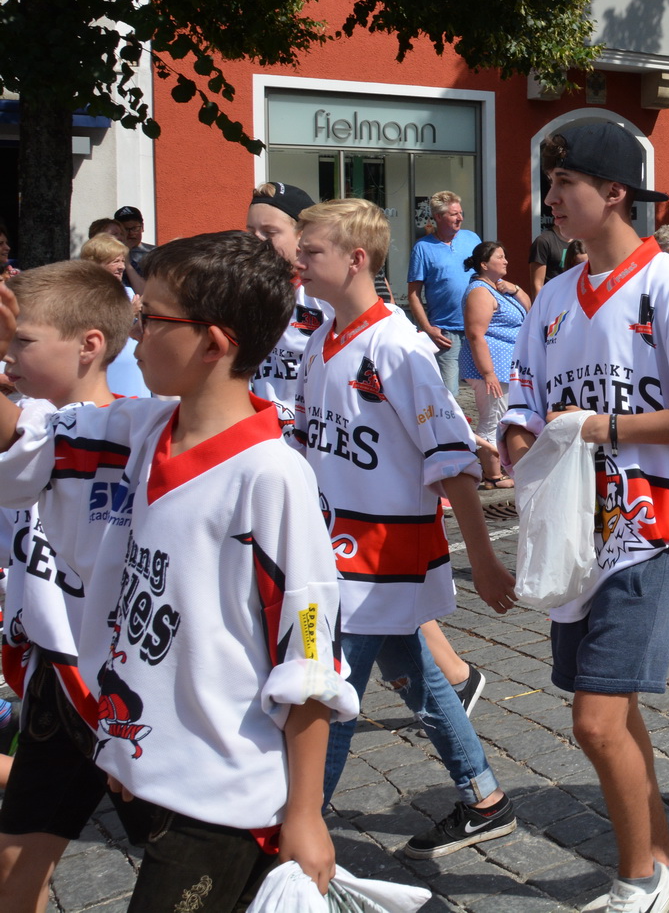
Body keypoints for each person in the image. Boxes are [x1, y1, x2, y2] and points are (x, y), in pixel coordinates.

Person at [0, 235, 357, 911]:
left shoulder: (273, 476)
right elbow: (23, 448)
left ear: (213, 343)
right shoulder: (137, 428)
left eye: (150, 319)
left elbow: (309, 649)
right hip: (140, 758)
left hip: (222, 793)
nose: (132, 335)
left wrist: (305, 815)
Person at [500, 122, 669, 913]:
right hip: (578, 530)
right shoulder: (556, 298)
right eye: (549, 181)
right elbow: (525, 393)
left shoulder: (667, 284)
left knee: (595, 720)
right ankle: (664, 863)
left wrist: (605, 427)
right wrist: (514, 432)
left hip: (653, 525)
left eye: (565, 182)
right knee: (618, 714)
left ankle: (636, 880)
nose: (551, 198)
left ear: (612, 193)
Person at [293, 199, 519, 859]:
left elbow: (453, 459)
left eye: (311, 251)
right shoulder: (320, 337)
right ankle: (484, 796)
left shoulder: (396, 345)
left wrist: (480, 556)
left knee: (328, 689)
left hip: (380, 556)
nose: (299, 262)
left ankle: (295, 836)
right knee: (413, 669)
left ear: (356, 259)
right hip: (335, 550)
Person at [0, 262, 132, 911]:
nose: (9, 353)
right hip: (60, 678)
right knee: (15, 860)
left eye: (22, 340)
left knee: (193, 875)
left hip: (139, 689)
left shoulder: (140, 430)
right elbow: (19, 454)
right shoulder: (35, 423)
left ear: (88, 344)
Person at [245, 182, 330, 429]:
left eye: (269, 233)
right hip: (258, 434)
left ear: (301, 236)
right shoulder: (243, 291)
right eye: (251, 231)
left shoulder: (324, 295)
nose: (257, 241)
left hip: (312, 437)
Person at [460, 242, 531, 488]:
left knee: (500, 417)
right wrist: (488, 373)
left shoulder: (498, 290)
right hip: (493, 368)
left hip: (506, 367)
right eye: (500, 257)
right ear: (484, 264)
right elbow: (475, 334)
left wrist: (516, 289)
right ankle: (492, 475)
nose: (506, 261)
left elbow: (529, 310)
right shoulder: (480, 291)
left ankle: (495, 470)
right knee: (493, 419)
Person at [406, 190, 483, 398]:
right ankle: (452, 430)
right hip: (446, 333)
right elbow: (413, 294)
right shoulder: (423, 248)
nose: (460, 218)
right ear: (439, 217)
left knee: (486, 389)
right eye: (453, 214)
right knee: (449, 396)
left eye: (461, 213)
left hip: (478, 327)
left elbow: (486, 275)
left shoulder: (472, 238)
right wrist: (428, 328)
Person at [75, 235, 149, 399]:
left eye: (123, 261)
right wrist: (129, 313)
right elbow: (92, 331)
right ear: (95, 264)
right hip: (106, 374)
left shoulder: (128, 293)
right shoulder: (82, 296)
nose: (121, 267)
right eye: (115, 261)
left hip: (134, 373)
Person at [528, 225, 584, 297]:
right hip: (553, 299)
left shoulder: (582, 239)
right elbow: (537, 284)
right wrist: (540, 307)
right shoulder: (543, 241)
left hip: (576, 299)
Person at [112, 205, 154, 291]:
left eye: (135, 228)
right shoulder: (111, 253)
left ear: (142, 227)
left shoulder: (155, 253)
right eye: (125, 229)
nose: (131, 233)